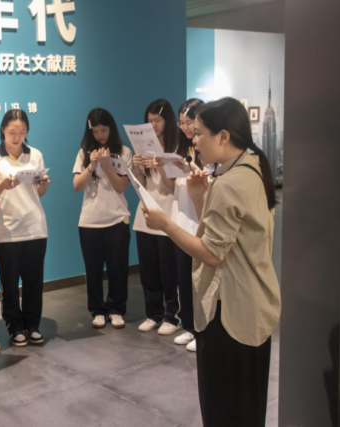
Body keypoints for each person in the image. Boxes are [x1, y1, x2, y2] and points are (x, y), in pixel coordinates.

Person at [143, 97, 281, 426]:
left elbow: (212, 253)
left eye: (200, 133)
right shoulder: (252, 168)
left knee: (224, 410)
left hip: (229, 312)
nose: (194, 140)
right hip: (251, 307)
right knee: (247, 407)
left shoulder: (230, 183)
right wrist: (200, 198)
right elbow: (231, 236)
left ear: (223, 136)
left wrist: (166, 224)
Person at [0, 109, 50, 346]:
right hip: (7, 231)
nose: (17, 136)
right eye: (12, 131)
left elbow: (39, 192)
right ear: (3, 129)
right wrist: (2, 185)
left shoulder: (35, 155)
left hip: (35, 227)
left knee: (34, 281)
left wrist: (44, 184)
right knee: (9, 284)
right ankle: (15, 327)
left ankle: (33, 325)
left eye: (22, 132)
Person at [73, 108, 132, 329]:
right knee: (93, 270)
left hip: (117, 219)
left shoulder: (124, 152)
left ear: (111, 128)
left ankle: (116, 309)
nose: (100, 135)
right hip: (89, 221)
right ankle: (97, 310)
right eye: (96, 131)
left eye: (104, 130)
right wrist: (91, 165)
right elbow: (77, 186)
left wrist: (106, 165)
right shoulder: (83, 153)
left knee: (118, 269)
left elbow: (121, 186)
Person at [133, 99, 181, 336]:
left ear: (167, 120)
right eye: (150, 121)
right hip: (145, 215)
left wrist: (161, 163)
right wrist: (138, 166)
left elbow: (174, 187)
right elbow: (141, 185)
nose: (153, 125)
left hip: (169, 214)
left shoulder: (177, 146)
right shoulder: (143, 146)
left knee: (169, 271)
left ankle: (173, 315)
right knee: (149, 270)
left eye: (157, 120)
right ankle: (154, 313)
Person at [171, 98, 205, 352]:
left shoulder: (205, 148)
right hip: (181, 220)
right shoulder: (180, 147)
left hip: (200, 222)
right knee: (183, 278)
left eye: (189, 122)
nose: (185, 128)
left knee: (199, 281)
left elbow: (208, 179)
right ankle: (189, 326)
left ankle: (202, 331)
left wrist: (188, 165)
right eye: (181, 123)